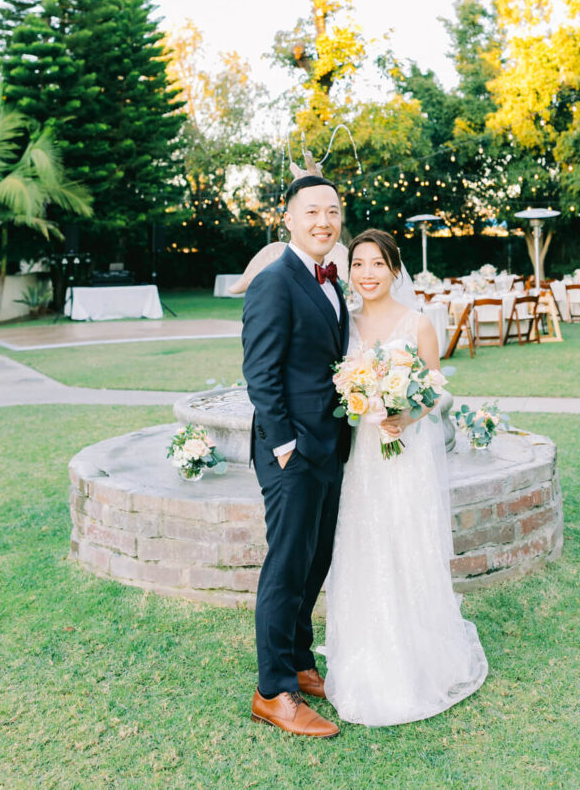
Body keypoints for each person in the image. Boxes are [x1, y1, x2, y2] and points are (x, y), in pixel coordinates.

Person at [324, 229, 488, 726]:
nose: (367, 273)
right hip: (361, 458)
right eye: (358, 265)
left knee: (406, 542)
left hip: (404, 453)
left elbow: (435, 392)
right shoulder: (341, 323)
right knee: (364, 545)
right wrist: (360, 401)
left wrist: (403, 417)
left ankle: (418, 659)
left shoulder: (418, 324)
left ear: (395, 269)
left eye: (377, 264)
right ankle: (365, 655)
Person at [242, 175, 350, 739]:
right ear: (288, 218)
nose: (323, 221)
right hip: (291, 454)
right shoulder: (274, 280)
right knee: (286, 569)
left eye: (332, 211)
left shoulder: (332, 280)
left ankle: (301, 661)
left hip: (330, 446)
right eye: (311, 211)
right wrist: (286, 448)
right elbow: (260, 374)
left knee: (316, 560)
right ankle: (273, 691)